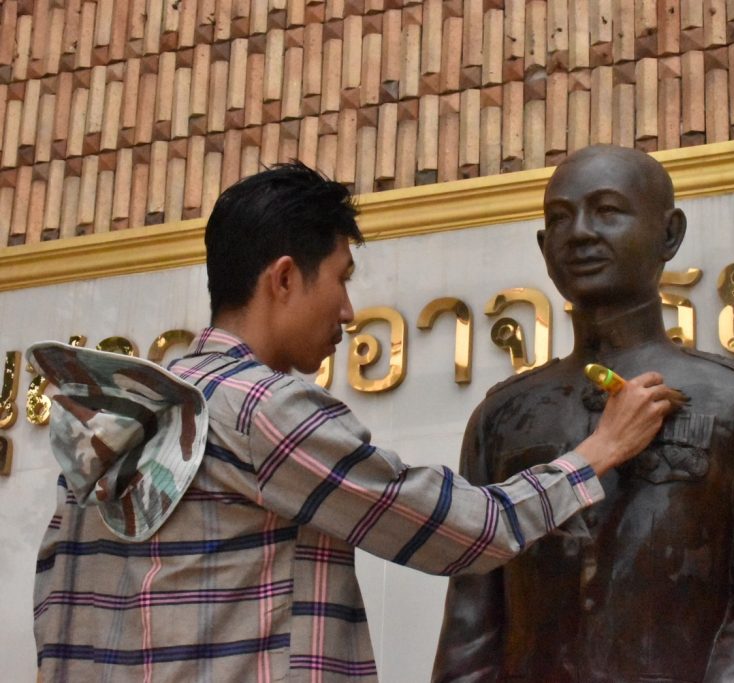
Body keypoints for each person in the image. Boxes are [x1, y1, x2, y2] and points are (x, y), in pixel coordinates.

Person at [30, 162, 682, 681]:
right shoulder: (263, 411)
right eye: (340, 279)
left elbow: (54, 617)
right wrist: (596, 451)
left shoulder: (119, 418)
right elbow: (465, 531)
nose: (347, 311)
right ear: (285, 278)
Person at [433, 145, 734, 682]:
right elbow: (474, 608)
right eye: (560, 219)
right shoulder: (503, 414)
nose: (581, 233)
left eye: (608, 211)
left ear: (669, 234)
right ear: (544, 246)